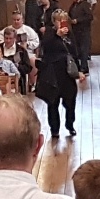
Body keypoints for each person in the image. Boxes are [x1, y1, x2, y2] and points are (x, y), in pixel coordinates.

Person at [36, 10, 80, 139]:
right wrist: (57, 35)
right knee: (52, 102)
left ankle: (70, 124)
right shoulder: (49, 33)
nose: (61, 23)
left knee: (70, 101)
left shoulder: (69, 33)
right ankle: (54, 129)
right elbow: (45, 47)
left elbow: (74, 51)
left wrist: (80, 70)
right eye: (58, 20)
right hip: (52, 73)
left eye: (63, 20)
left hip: (66, 72)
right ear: (54, 21)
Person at [68, 0, 95, 72]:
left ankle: (84, 67)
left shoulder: (85, 4)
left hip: (84, 31)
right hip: (75, 31)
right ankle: (78, 67)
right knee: (77, 50)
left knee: (84, 50)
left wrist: (78, 20)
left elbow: (89, 17)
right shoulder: (73, 5)